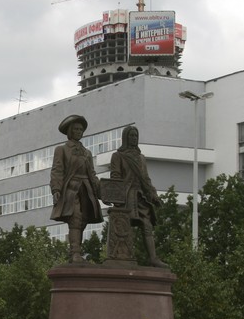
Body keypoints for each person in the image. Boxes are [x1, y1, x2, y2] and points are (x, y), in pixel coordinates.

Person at [109, 125, 167, 268]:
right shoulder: (118, 156)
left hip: (140, 196)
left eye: (136, 136)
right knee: (123, 226)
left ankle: (153, 258)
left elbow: (146, 179)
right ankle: (121, 256)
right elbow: (115, 176)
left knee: (147, 225)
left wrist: (154, 195)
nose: (134, 138)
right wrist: (117, 198)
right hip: (126, 196)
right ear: (125, 138)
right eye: (131, 136)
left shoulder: (141, 158)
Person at [50, 114, 103, 263]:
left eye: (81, 129)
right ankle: (75, 253)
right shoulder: (62, 149)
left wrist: (101, 193)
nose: (79, 131)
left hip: (86, 190)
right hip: (71, 190)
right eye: (76, 129)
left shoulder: (87, 153)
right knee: (75, 219)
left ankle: (75, 251)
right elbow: (57, 170)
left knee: (83, 220)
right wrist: (56, 189)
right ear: (70, 131)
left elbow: (92, 175)